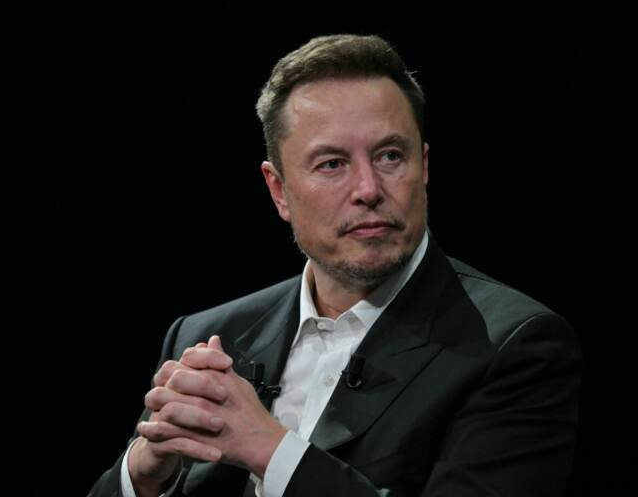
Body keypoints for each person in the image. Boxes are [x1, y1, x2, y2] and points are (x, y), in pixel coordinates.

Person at [88, 34, 581, 496]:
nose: (368, 189)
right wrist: (145, 471)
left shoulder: (515, 344)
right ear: (278, 190)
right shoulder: (208, 334)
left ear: (424, 168)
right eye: (332, 164)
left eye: (390, 156)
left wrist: (270, 449)